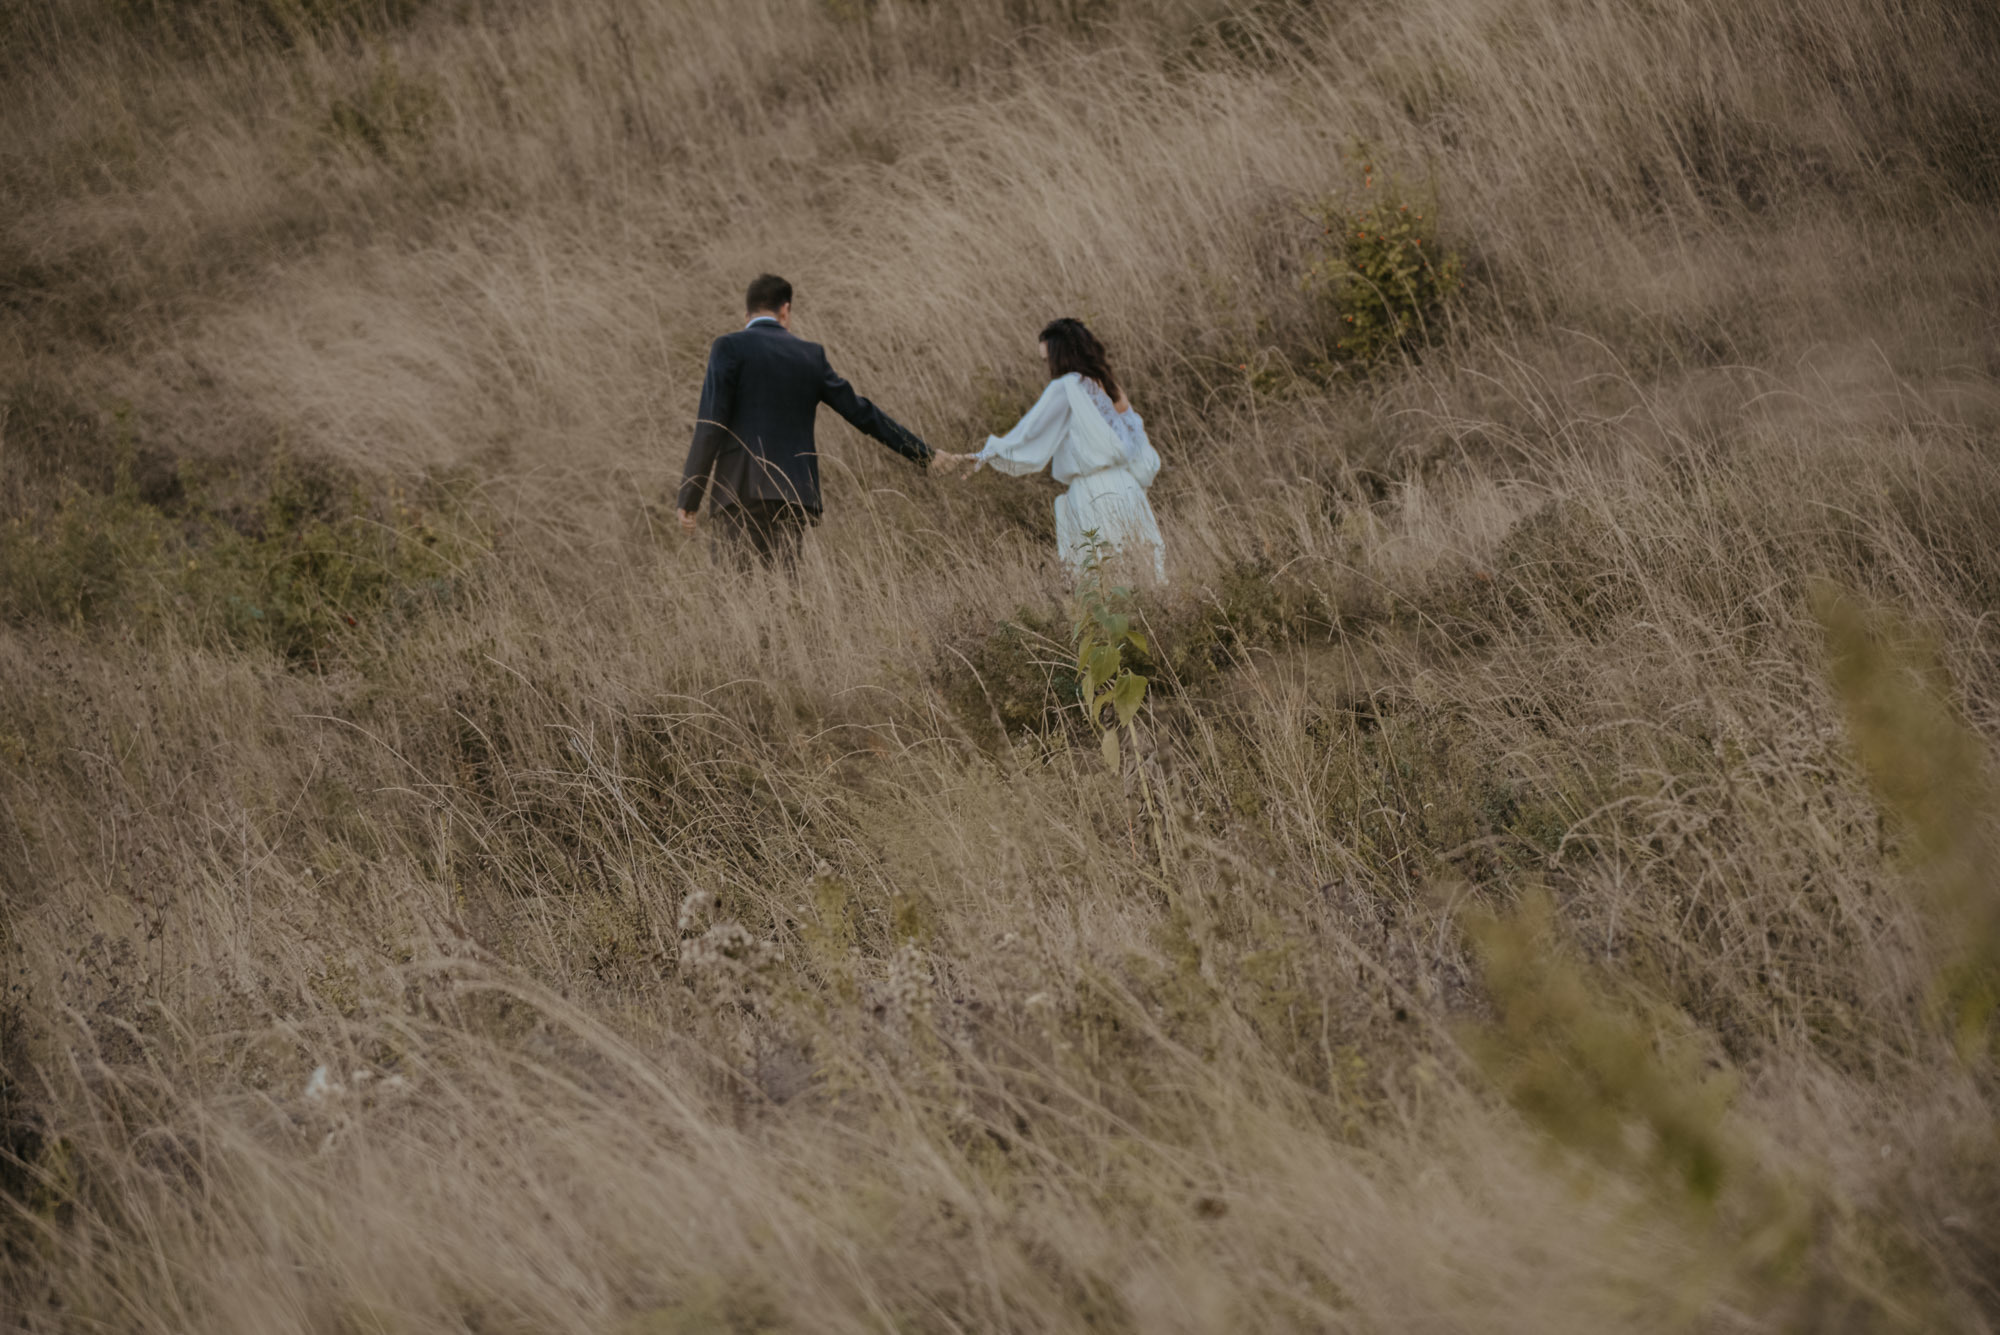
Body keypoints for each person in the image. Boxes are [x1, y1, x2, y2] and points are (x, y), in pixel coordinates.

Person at [677, 273, 934, 571]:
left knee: (738, 595)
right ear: (785, 310)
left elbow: (710, 426)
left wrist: (690, 496)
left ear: (746, 314)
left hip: (740, 492)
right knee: (788, 595)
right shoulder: (811, 355)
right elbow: (863, 413)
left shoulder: (728, 347)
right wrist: (925, 454)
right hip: (793, 492)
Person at [934, 317, 1164, 581]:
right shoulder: (1108, 386)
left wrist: (987, 454)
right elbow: (1141, 451)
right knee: (1142, 580)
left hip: (1093, 495)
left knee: (1102, 585)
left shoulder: (1066, 387)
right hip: (1129, 491)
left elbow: (1029, 433)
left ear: (1059, 354)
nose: (1047, 367)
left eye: (1047, 360)